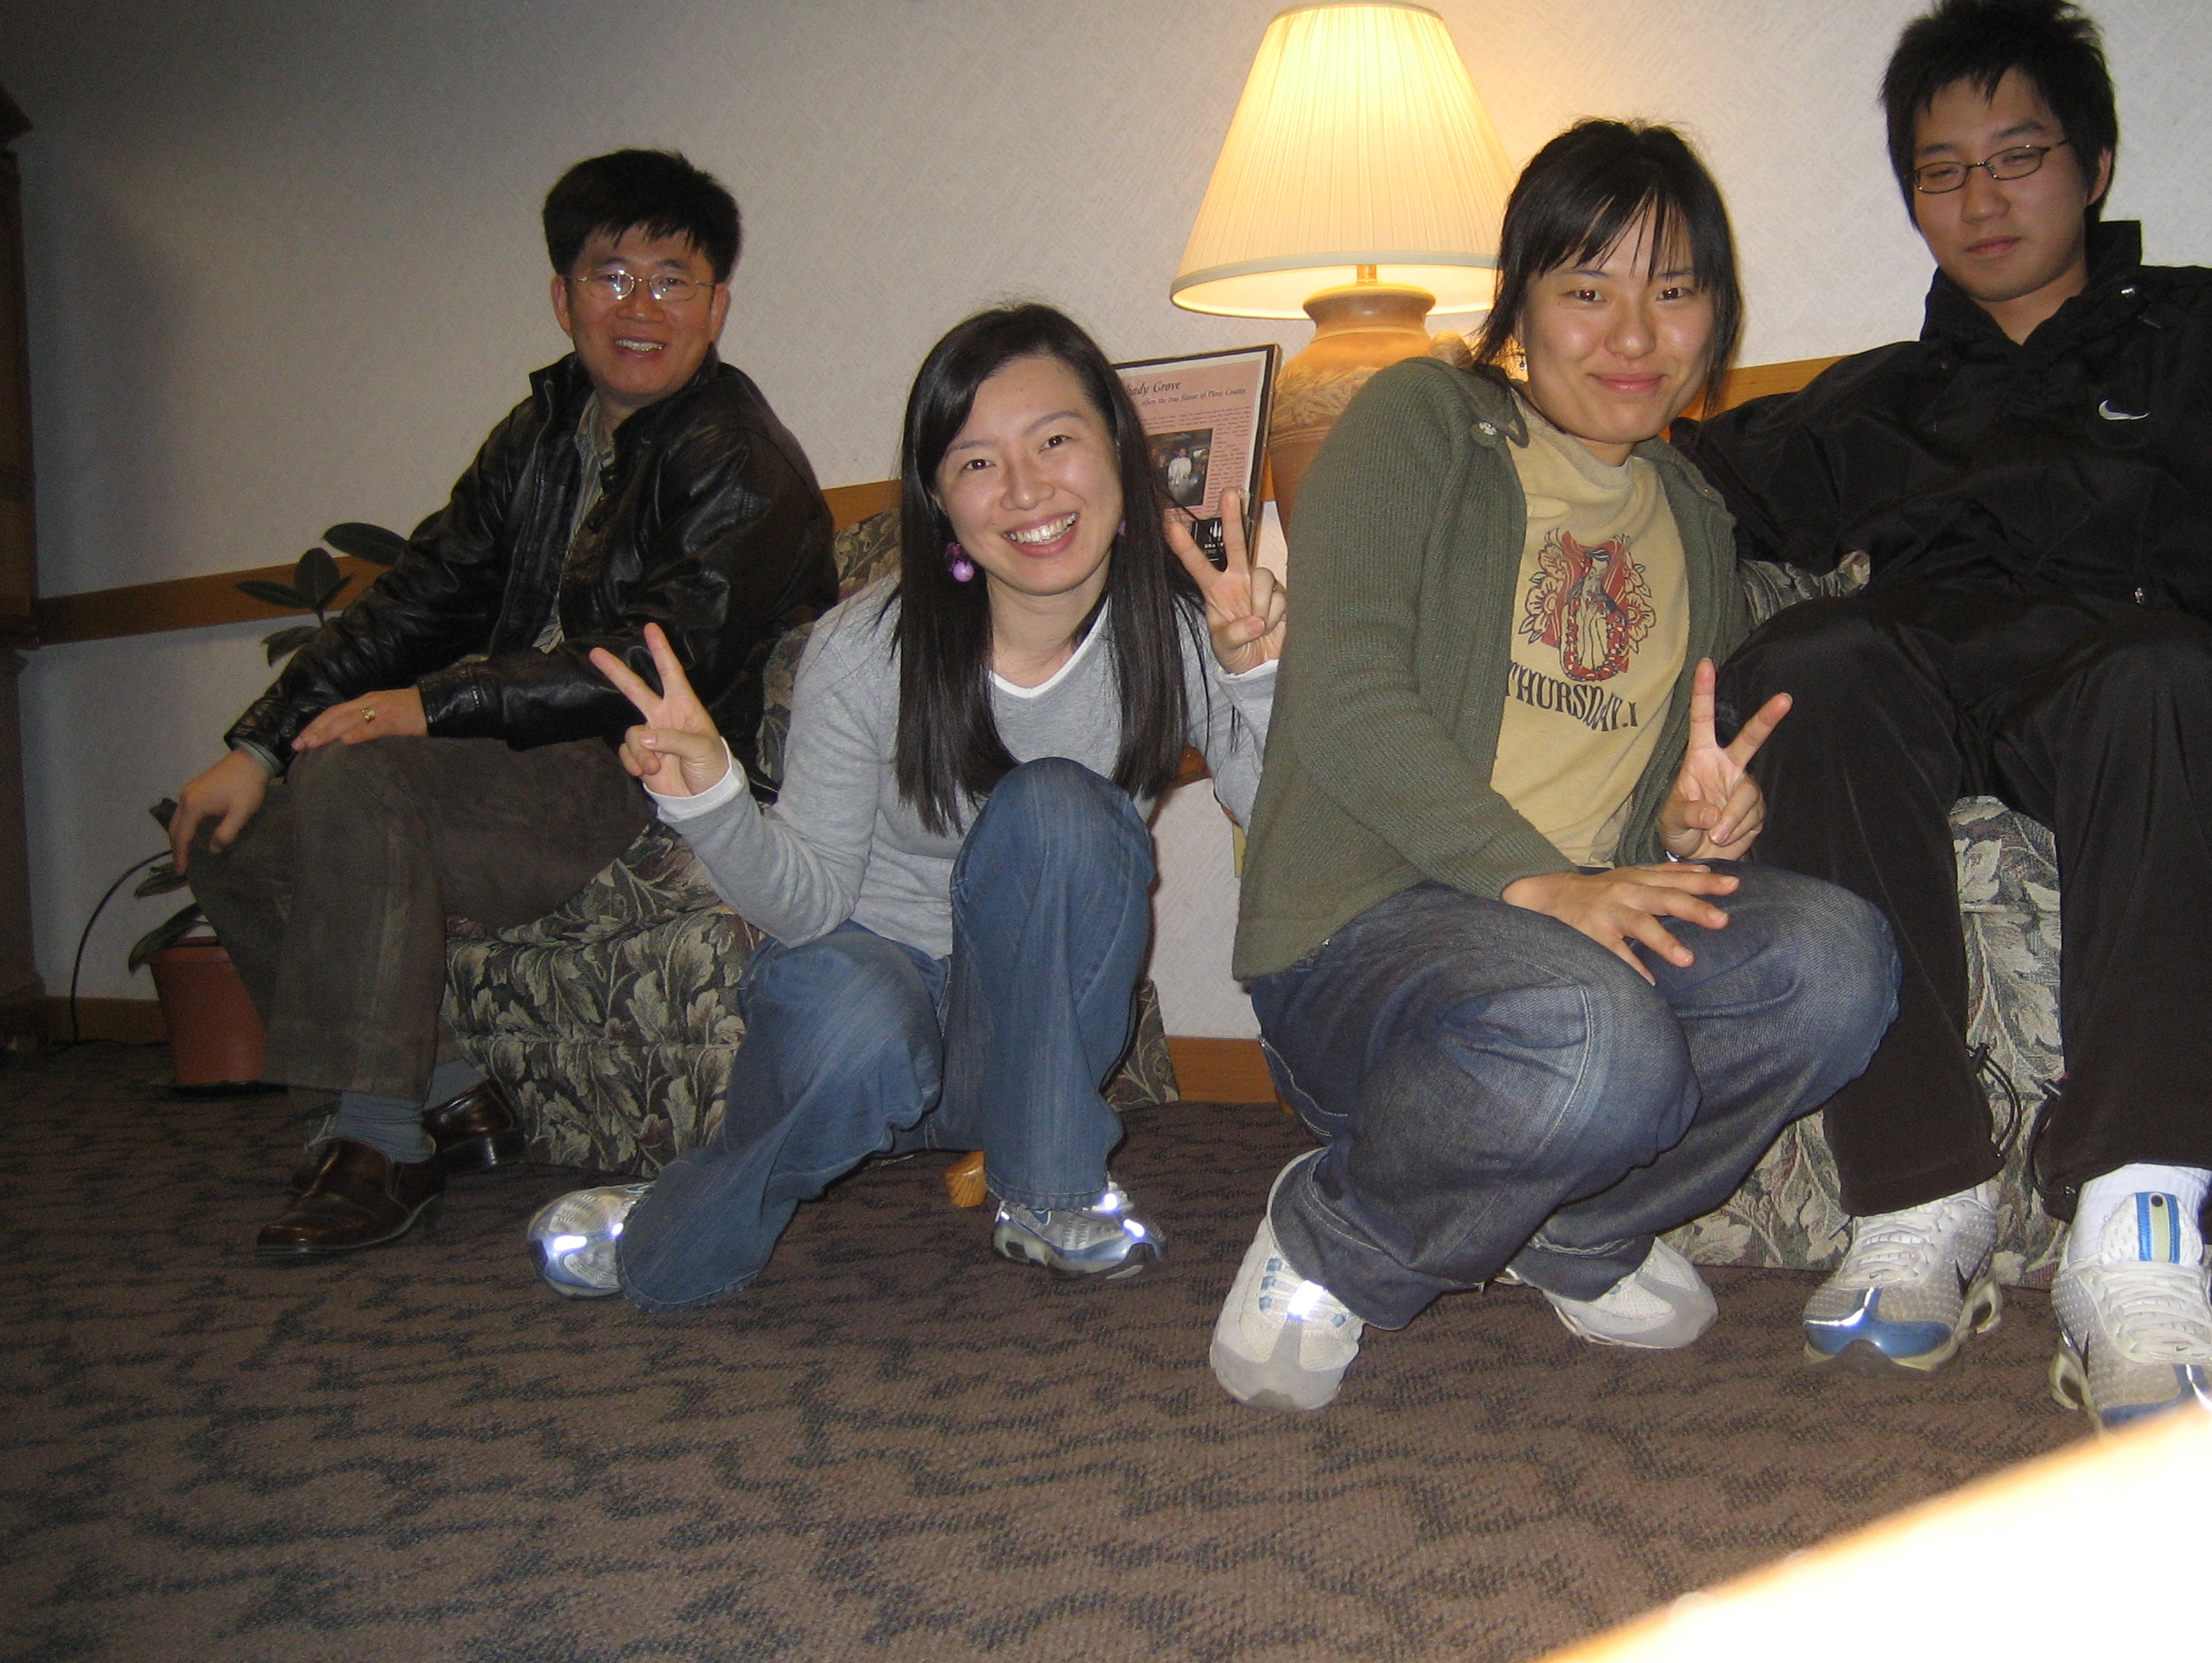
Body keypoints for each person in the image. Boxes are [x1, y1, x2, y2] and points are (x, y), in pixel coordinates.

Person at [1685, 0, 2212, 1427]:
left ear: (2095, 163)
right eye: (1942, 172)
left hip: (2120, 663)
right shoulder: (1876, 397)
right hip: (1918, 671)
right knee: (1809, 668)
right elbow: (1674, 474)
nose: (1981, 201)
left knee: (2169, 681)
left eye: (2019, 157)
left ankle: (2136, 1237)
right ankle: (1918, 1200)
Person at [1213, 121, 1900, 1412]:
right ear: (1520, 302)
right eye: (1588, 290)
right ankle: (1334, 1236)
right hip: (1363, 939)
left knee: (1835, 959)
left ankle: (1569, 1228)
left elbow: (1637, 815)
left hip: (1564, 937)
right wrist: (1539, 884)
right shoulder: (1422, 420)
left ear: (1715, 315)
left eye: (1674, 290)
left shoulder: (1693, 519)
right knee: (1594, 1036)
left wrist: (1690, 828)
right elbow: (1341, 694)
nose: (1634, 334)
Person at [524, 303, 1281, 1308]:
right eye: (977, 462)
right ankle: (673, 1218)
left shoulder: (1177, 626)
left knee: (1058, 805)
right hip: (865, 1028)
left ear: (1117, 448)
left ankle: (1049, 1190)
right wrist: (710, 799)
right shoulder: (867, 649)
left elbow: (1279, 830)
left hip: (1031, 1048)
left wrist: (1252, 679)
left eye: (1055, 441)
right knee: (849, 1022)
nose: (1025, 490)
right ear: (938, 501)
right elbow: (807, 907)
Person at [175, 148, 839, 1260]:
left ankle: (375, 1140)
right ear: (562, 296)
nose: (639, 308)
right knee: (230, 832)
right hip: (495, 760)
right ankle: (449, 1091)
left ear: (716, 306)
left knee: (364, 776)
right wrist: (258, 744)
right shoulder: (540, 435)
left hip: (634, 770)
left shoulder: (739, 457)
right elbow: (418, 596)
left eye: (670, 281)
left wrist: (436, 704)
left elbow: (654, 657)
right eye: (609, 276)